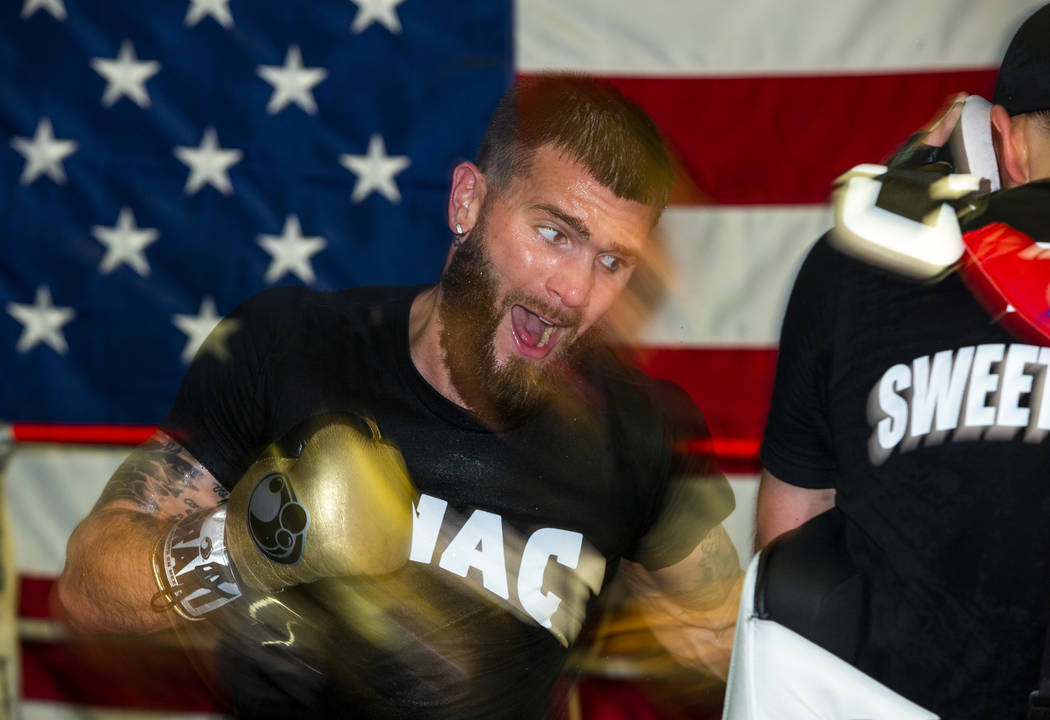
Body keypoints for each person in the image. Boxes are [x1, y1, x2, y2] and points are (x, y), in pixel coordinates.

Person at [56, 76, 741, 719]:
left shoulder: (637, 434)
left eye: (613, 262)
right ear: (467, 201)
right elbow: (87, 592)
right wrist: (245, 546)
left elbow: (723, 644)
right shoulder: (291, 348)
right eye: (554, 234)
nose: (576, 292)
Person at [755, 5, 1050, 718]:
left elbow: (792, 542)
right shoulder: (855, 267)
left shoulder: (851, 265)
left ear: (1001, 141)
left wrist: (905, 187)